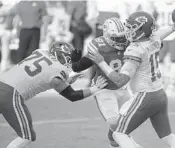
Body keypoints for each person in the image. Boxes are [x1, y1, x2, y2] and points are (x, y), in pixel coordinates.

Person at [87, 11, 175, 148]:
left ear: (142, 30)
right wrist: (173, 27)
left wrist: (101, 62)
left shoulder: (135, 49)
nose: (128, 30)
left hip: (146, 96)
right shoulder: (154, 39)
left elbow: (120, 81)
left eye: (132, 27)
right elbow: (162, 33)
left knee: (118, 134)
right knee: (167, 135)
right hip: (160, 94)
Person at [0, 41, 107, 148]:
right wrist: (95, 88)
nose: (70, 61)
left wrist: (67, 81)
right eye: (69, 57)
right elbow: (73, 95)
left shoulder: (40, 52)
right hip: (10, 94)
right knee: (26, 137)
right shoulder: (57, 71)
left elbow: (40, 77)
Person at [71, 17, 143, 148]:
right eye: (117, 38)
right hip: (104, 88)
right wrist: (75, 60)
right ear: (107, 35)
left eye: (123, 37)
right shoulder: (98, 46)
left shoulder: (129, 41)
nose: (122, 41)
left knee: (126, 122)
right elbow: (79, 66)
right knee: (115, 123)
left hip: (123, 87)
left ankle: (114, 145)